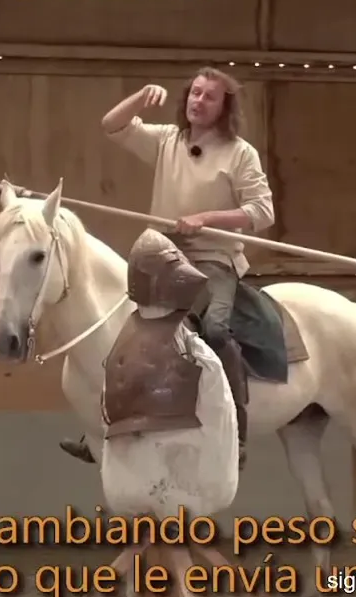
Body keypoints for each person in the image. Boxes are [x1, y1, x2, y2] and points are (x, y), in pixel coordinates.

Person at [58, 67, 275, 470]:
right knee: (121, 328)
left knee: (215, 329)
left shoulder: (240, 153)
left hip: (213, 260)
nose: (198, 101)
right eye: (195, 92)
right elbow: (112, 125)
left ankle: (236, 432)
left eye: (209, 96)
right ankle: (101, 427)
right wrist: (141, 96)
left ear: (225, 107)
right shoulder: (167, 140)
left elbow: (262, 212)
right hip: (162, 256)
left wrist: (206, 219)